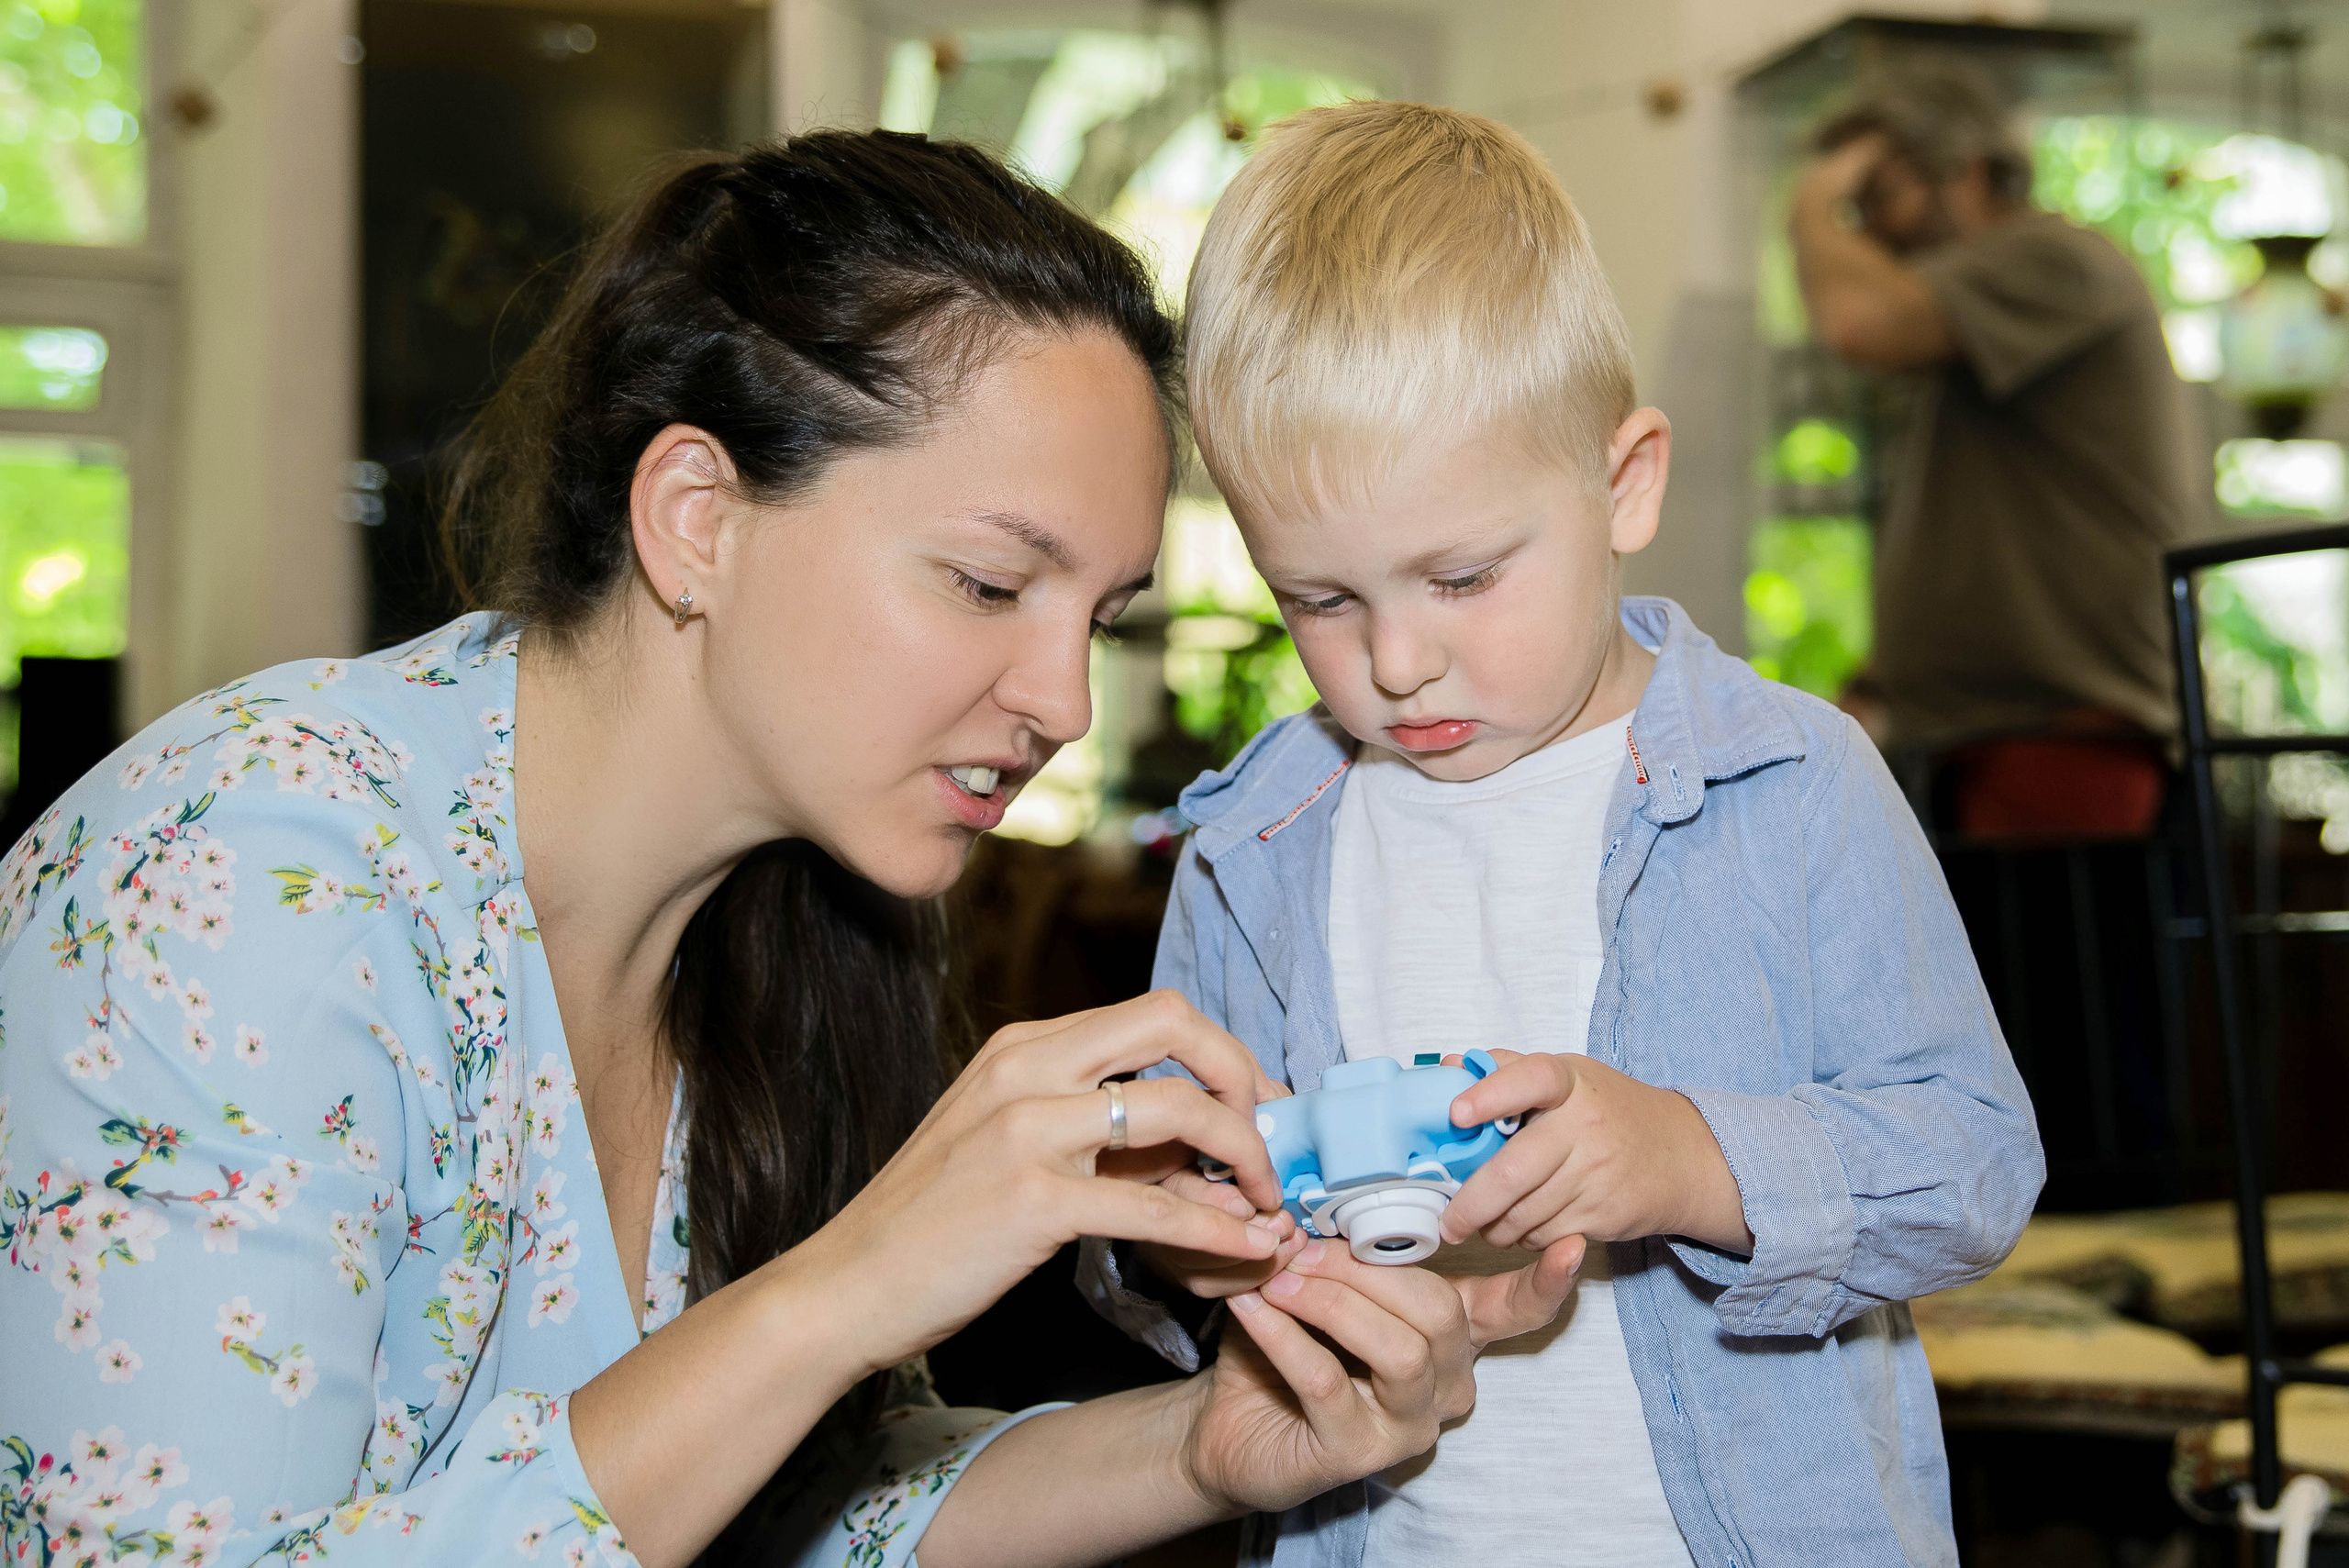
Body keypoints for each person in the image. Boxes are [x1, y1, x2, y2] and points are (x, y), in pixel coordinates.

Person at [0, 131, 1577, 1568]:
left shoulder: (804, 923)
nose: (1059, 703)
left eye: (1095, 615)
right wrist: (847, 1282)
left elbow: (797, 1494)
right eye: (982, 582)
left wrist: (1211, 1446)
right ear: (696, 514)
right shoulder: (244, 873)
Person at [1077, 101, 2044, 1565]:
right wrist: (1197, 1217)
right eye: (1320, 602)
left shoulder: (1792, 784)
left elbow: (1973, 1164)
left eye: (1461, 577)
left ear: (1623, 484)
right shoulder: (1256, 848)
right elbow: (1157, 1233)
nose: (1395, 661)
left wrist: (1685, 1156)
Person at [1788, 64, 2200, 843]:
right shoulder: (1973, 327)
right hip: (1985, 736)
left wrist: (1810, 202)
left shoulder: (2054, 260)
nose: (1866, 228)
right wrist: (1885, 680)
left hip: (2063, 742)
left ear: (1969, 172)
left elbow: (1857, 322)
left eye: (1879, 191)